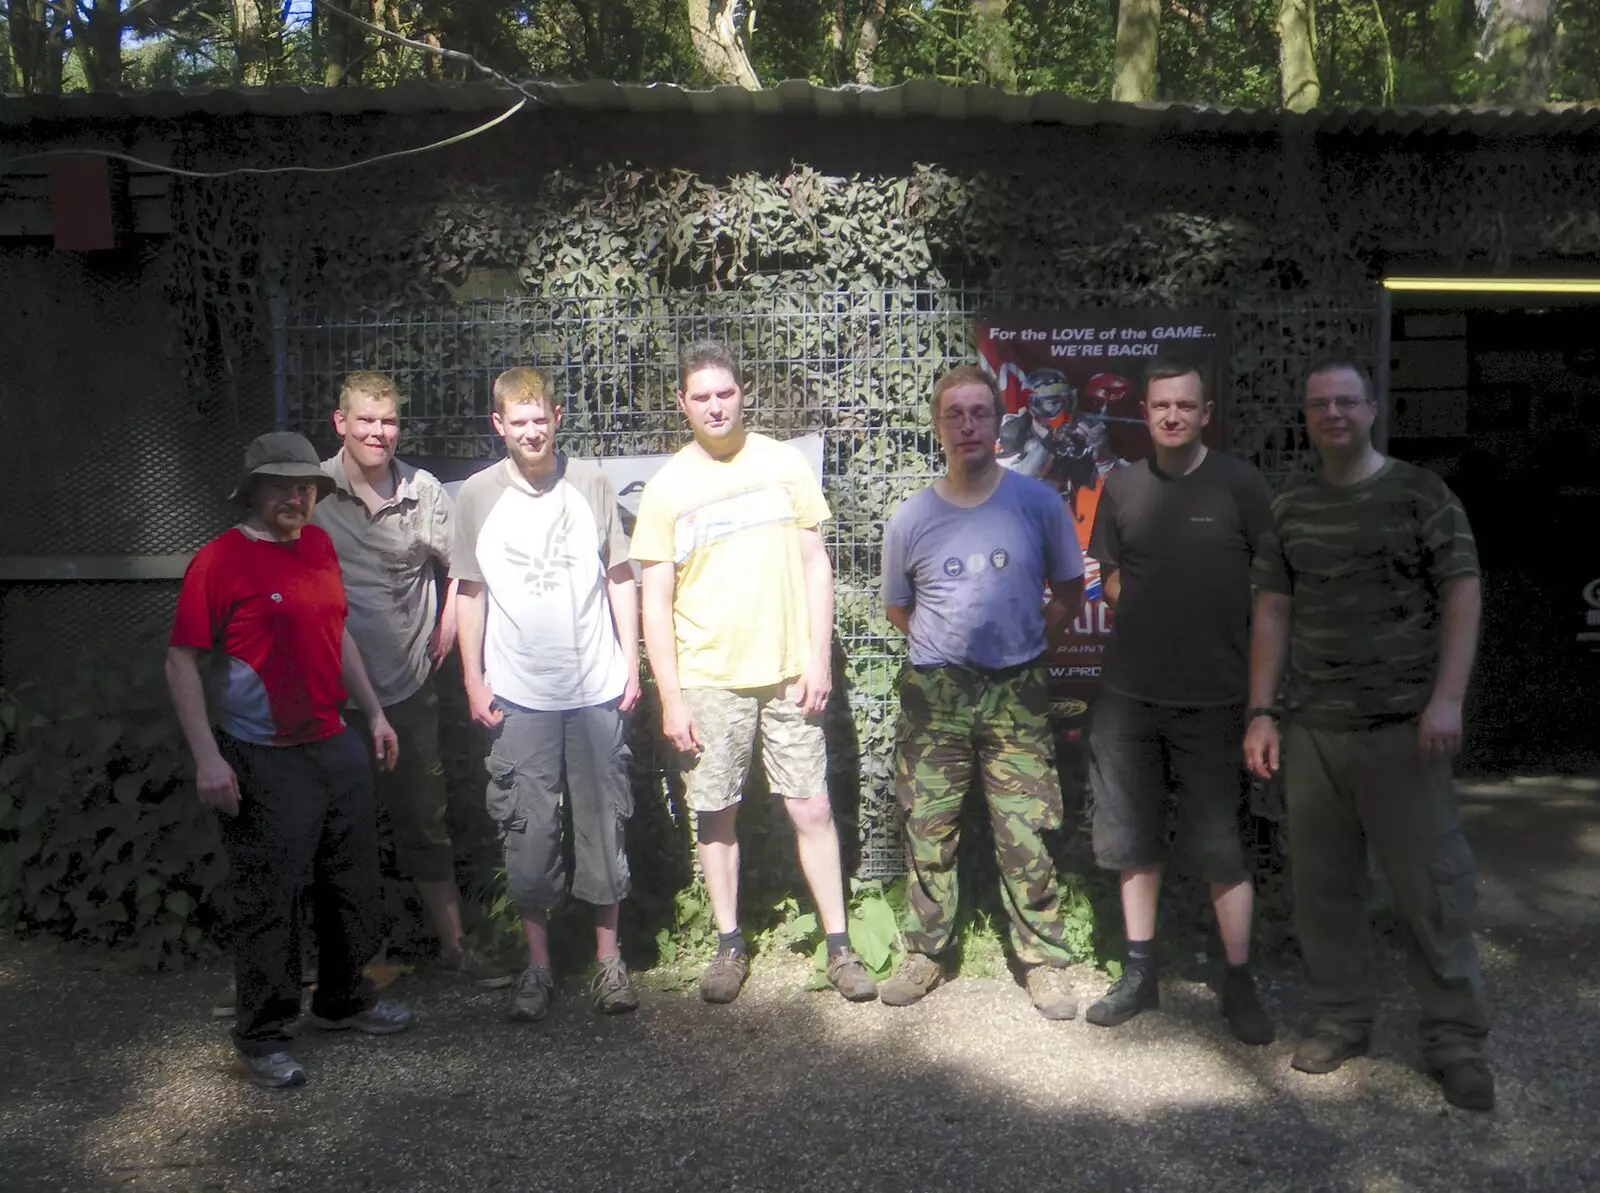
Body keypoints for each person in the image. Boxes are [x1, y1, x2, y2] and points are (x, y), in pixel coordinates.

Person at [1245, 359, 1494, 1112]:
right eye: (1320, 403)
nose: (1333, 414)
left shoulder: (1421, 494)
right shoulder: (1291, 501)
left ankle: (1456, 1041)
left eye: (1345, 401)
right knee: (1324, 890)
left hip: (1402, 729)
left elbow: (1463, 591)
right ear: (1309, 415)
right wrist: (1261, 709)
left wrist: (1447, 699)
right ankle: (1340, 1018)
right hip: (1314, 727)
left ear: (1373, 409)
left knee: (1430, 891)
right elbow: (1273, 610)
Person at [631, 341, 876, 1005]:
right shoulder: (666, 488)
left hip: (789, 675)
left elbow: (814, 564)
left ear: (744, 394)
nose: (714, 405)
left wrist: (817, 656)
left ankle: (840, 945)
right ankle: (728, 943)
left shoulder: (784, 463)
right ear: (681, 403)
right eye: (700, 396)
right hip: (708, 680)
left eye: (725, 393)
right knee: (716, 813)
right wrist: (672, 698)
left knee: (813, 805)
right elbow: (653, 599)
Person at [165, 432, 413, 1089]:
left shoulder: (318, 546)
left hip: (333, 740)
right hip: (261, 753)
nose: (296, 496)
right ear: (252, 491)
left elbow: (341, 635)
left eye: (305, 486)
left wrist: (377, 712)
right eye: (281, 485)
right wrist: (207, 756)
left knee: (350, 880)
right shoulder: (219, 560)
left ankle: (342, 1000)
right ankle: (262, 1033)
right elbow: (181, 660)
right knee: (269, 895)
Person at [876, 364, 1086, 1019]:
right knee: (928, 827)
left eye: (979, 412)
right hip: (935, 694)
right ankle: (925, 953)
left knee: (1026, 829)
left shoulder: (1038, 504)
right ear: (939, 426)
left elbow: (1072, 592)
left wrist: (1022, 646)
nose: (967, 424)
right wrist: (952, 654)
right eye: (954, 414)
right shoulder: (911, 517)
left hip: (1017, 688)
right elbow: (898, 609)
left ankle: (1043, 960)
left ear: (999, 423)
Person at [1083, 362, 1275, 1044]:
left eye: (1184, 404)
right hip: (1130, 699)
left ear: (1205, 411)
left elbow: (1273, 589)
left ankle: (1239, 982)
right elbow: (1108, 577)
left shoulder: (1241, 484)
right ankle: (1140, 975)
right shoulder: (1123, 485)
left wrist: (1261, 702)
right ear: (1145, 410)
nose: (1172, 415)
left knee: (1224, 849)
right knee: (1135, 842)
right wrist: (1143, 606)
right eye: (1161, 404)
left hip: (1218, 700)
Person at [452, 367, 642, 1021]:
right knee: (528, 833)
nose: (531, 431)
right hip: (519, 695)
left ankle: (608, 963)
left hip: (595, 688)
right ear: (498, 424)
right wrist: (473, 678)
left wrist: (633, 666)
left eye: (541, 418)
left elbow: (620, 577)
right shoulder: (476, 496)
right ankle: (537, 968)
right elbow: (469, 591)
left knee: (602, 824)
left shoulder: (590, 483)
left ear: (557, 416)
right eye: (518, 420)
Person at [311, 372, 508, 986]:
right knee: (325, 828)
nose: (379, 432)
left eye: (389, 421)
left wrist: (449, 621)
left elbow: (464, 566)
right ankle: (324, 961)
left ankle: (454, 948)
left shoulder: (424, 493)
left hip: (408, 691)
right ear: (341, 423)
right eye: (366, 420)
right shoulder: (310, 493)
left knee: (424, 818)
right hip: (325, 697)